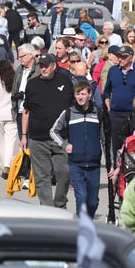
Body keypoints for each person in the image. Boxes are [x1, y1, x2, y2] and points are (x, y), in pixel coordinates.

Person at [20, 53, 74, 208]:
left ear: (54, 66)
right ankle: (47, 207)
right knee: (41, 177)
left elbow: (73, 108)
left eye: (46, 65)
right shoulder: (32, 84)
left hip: (61, 137)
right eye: (41, 66)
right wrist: (24, 135)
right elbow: (26, 111)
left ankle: (60, 203)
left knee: (64, 173)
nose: (43, 68)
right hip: (38, 138)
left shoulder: (65, 81)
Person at [50, 79, 102, 219]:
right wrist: (64, 144)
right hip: (76, 164)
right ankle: (82, 226)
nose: (80, 97)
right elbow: (53, 131)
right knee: (81, 197)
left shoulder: (98, 113)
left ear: (89, 94)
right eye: (77, 94)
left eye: (83, 94)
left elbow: (105, 138)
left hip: (94, 164)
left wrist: (110, 162)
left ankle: (88, 220)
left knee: (92, 201)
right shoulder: (68, 113)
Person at [102, 45, 135, 162]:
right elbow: (106, 91)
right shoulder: (113, 71)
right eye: (118, 57)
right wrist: (109, 108)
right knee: (116, 147)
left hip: (133, 115)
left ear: (130, 58)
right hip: (116, 115)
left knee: (133, 146)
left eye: (123, 57)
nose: (120, 59)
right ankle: (116, 175)